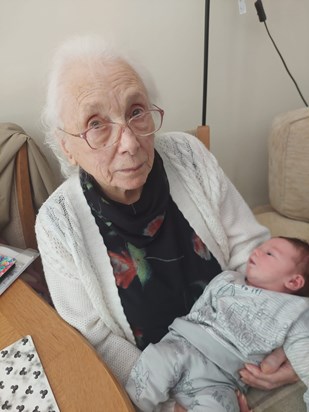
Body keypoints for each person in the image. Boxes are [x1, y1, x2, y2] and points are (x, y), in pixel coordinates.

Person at [35, 35, 296, 411]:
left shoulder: (189, 155)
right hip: (159, 384)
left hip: (247, 347)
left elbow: (249, 249)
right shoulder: (57, 224)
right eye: (96, 123)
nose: (128, 142)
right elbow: (95, 338)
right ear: (67, 146)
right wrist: (172, 401)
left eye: (136, 111)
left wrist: (282, 342)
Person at [125, 237, 309, 411]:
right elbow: (198, 310)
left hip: (223, 381)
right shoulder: (229, 280)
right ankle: (125, 407)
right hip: (184, 346)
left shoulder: (294, 312)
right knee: (156, 363)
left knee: (222, 406)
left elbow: (306, 365)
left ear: (294, 281)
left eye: (269, 254)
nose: (257, 251)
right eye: (260, 247)